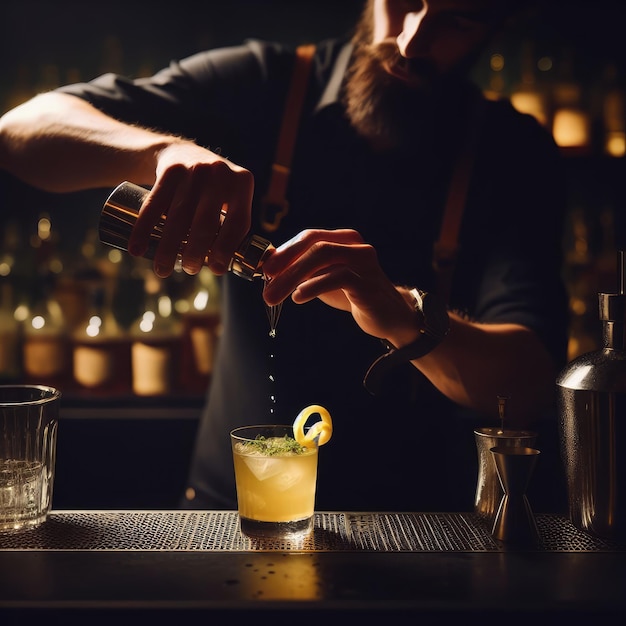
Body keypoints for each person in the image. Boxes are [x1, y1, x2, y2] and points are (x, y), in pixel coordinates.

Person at [0, 0, 569, 512]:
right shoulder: (260, 82)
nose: (412, 39)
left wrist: (402, 316)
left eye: (458, 18)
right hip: (224, 518)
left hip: (416, 529)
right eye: (405, 2)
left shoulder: (512, 152)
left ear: (498, 26)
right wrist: (160, 150)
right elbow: (20, 130)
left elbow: (528, 390)